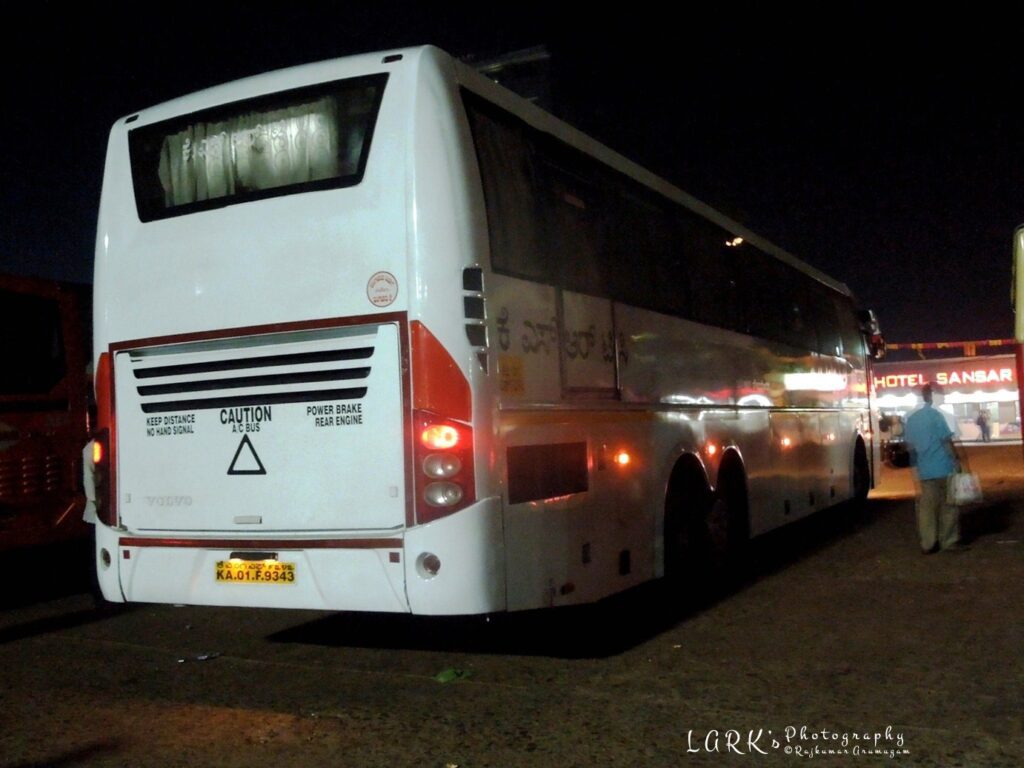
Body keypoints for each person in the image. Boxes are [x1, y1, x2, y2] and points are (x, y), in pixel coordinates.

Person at [903, 383, 965, 553]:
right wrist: (957, 461)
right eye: (941, 394)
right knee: (949, 506)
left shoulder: (912, 418)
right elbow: (946, 441)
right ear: (932, 396)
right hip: (944, 467)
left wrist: (916, 469)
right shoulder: (937, 416)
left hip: (925, 470)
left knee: (927, 509)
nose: (943, 397)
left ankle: (928, 543)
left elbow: (910, 447)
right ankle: (948, 541)